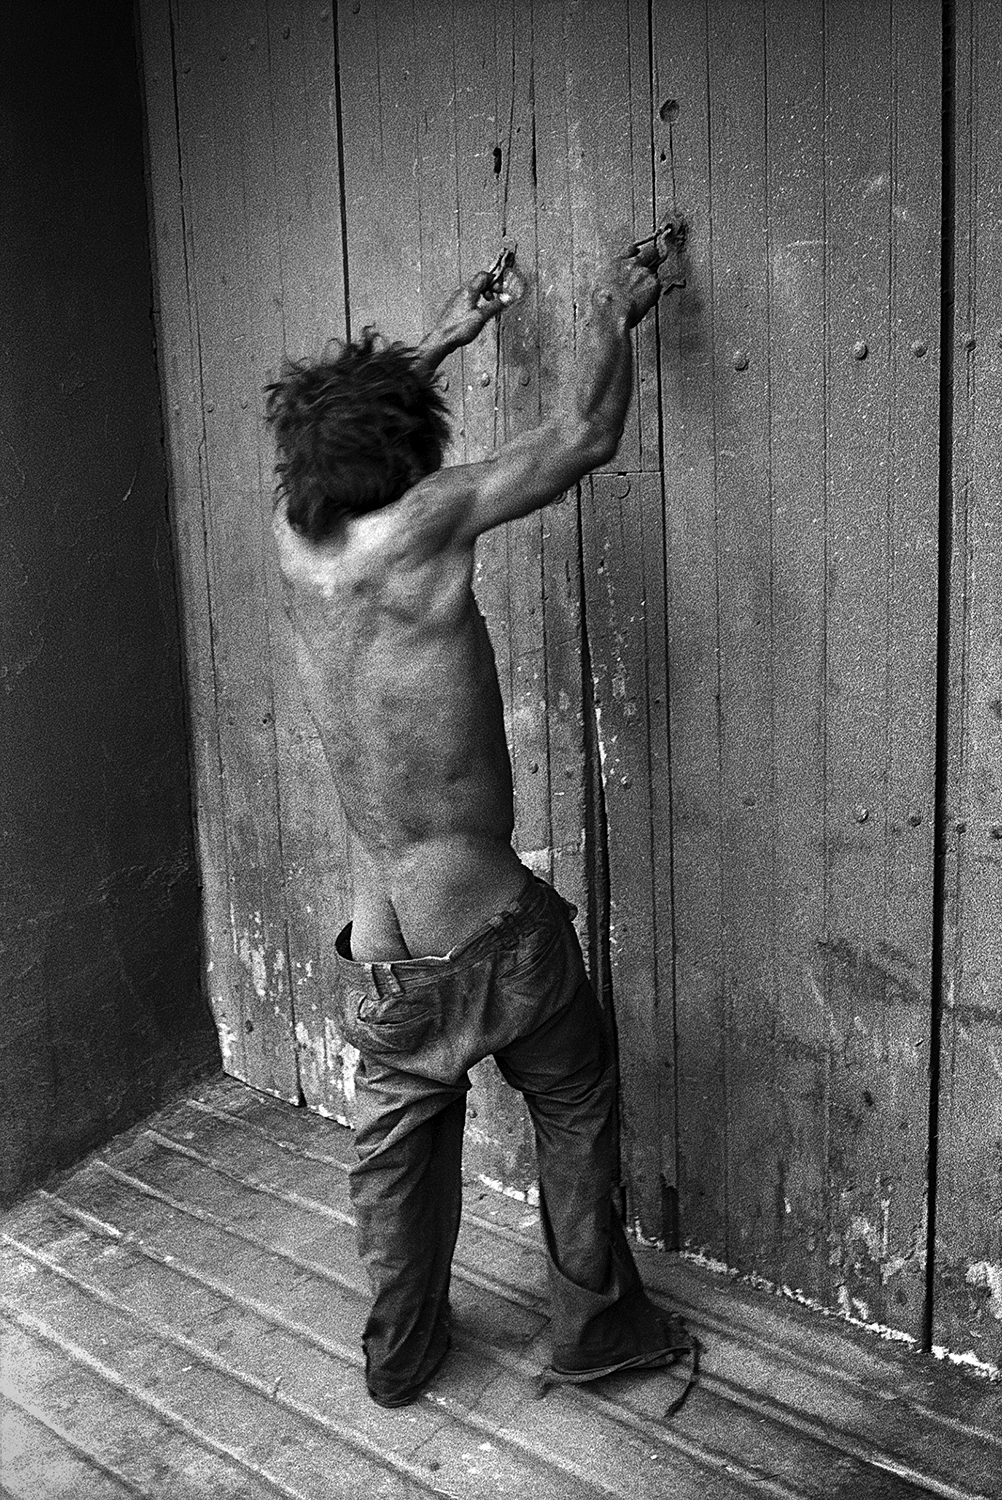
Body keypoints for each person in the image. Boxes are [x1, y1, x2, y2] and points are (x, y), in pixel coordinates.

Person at [265, 233, 691, 1410]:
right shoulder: (430, 521)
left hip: (386, 944)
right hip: (492, 930)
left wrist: (450, 334)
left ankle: (400, 1355)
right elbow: (583, 437)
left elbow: (338, 435)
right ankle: (598, 1327)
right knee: (572, 1092)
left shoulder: (291, 540)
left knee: (397, 1146)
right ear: (406, 457)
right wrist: (613, 310)